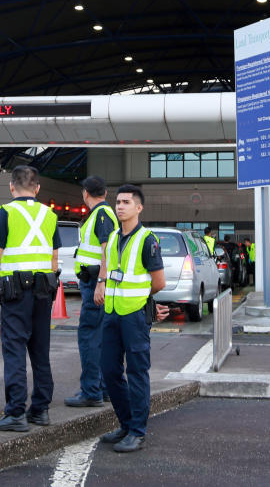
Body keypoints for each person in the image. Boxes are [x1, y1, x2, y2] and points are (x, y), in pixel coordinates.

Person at [0, 165, 61, 432]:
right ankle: (40, 410)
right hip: (43, 290)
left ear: (11, 187)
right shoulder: (50, 214)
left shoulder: (7, 212)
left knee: (14, 348)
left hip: (16, 290)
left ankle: (15, 412)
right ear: (37, 188)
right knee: (40, 350)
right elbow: (53, 257)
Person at [94, 184, 166, 453]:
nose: (120, 206)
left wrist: (140, 300)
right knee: (110, 370)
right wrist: (101, 283)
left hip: (134, 315)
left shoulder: (147, 239)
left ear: (139, 207)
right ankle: (125, 423)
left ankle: (137, 431)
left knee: (136, 372)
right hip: (111, 313)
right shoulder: (113, 237)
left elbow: (158, 281)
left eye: (126, 202)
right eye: (118, 202)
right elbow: (107, 265)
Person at [65, 175, 118, 408]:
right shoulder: (102, 214)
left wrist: (101, 282)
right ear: (105, 193)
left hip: (95, 284)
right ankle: (103, 388)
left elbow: (107, 249)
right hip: (95, 282)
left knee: (89, 337)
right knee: (100, 338)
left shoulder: (102, 215)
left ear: (85, 193)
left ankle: (91, 391)